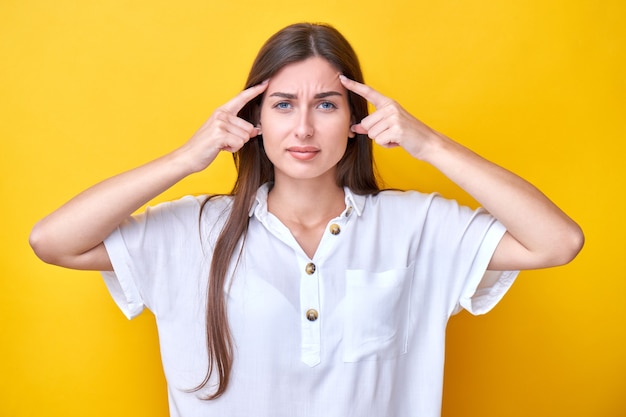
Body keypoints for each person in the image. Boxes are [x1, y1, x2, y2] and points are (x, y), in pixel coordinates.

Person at [29, 22, 584, 417]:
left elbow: (558, 242)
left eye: (325, 104)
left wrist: (430, 143)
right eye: (282, 104)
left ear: (355, 121)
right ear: (254, 120)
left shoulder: (416, 226)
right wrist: (184, 159)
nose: (303, 130)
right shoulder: (195, 231)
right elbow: (53, 240)